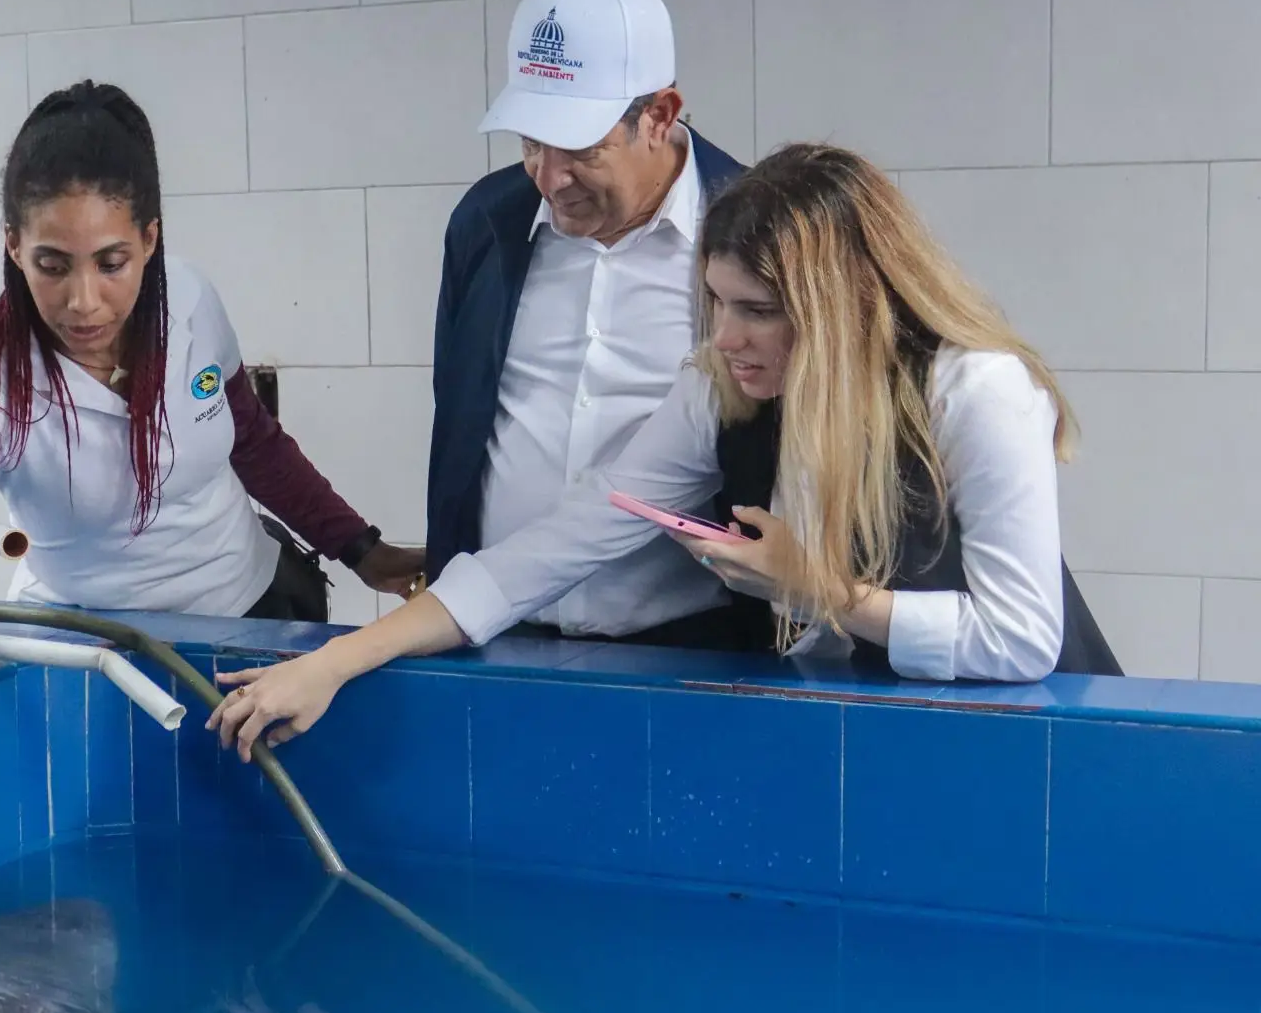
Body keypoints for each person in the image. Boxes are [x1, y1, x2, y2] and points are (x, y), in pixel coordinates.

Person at [207, 142, 1120, 760]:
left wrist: (823, 590)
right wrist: (333, 662)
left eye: (757, 310)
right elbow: (541, 556)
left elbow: (1021, 640)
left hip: (1048, 747)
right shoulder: (719, 387)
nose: (726, 336)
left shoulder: (978, 390)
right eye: (717, 304)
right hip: (888, 733)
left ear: (846, 304)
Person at [0, 80, 423, 807]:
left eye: (112, 261)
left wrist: (362, 549)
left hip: (253, 620)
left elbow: (250, 439)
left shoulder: (189, 301)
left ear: (151, 239)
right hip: (98, 661)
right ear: (13, 246)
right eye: (52, 264)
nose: (83, 301)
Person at [427, 0, 763, 651]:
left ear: (661, 115)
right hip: (499, 634)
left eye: (580, 148)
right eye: (529, 142)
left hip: (692, 645)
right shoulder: (485, 224)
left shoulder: (754, 235)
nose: (550, 178)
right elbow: (457, 416)